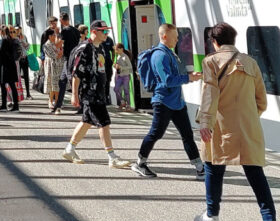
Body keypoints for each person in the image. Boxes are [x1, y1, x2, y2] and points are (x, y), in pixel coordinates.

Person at [194, 23, 280, 221]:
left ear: (214, 42)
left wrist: (205, 121)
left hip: (220, 127)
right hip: (247, 127)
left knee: (213, 169)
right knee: (256, 175)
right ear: (234, 40)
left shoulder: (211, 62)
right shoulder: (250, 62)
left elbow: (210, 94)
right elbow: (261, 99)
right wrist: (249, 116)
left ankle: (212, 216)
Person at [132, 23, 204, 179]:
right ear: (164, 36)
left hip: (176, 102)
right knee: (156, 133)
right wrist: (189, 78)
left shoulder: (169, 53)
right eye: (175, 36)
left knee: (187, 134)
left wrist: (190, 76)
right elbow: (167, 81)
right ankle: (140, 163)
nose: (177, 40)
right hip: (163, 102)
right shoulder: (160, 55)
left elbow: (174, 77)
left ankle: (199, 166)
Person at [62, 21, 131, 170]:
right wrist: (75, 95)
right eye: (103, 31)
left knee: (87, 121)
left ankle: (70, 150)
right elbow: (76, 73)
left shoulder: (100, 48)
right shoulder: (85, 48)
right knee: (104, 122)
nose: (107, 34)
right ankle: (112, 157)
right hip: (89, 92)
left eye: (107, 31)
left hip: (98, 92)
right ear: (94, 31)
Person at [55, 13, 81, 113]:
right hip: (74, 57)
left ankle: (81, 105)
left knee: (70, 80)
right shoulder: (75, 30)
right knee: (62, 81)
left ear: (62, 20)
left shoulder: (65, 31)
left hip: (68, 59)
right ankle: (58, 105)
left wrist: (57, 33)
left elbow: (57, 45)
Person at [0, 26, 20, 111]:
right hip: (12, 64)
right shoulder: (12, 40)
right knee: (12, 85)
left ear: (2, 32)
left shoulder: (4, 40)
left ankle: (3, 105)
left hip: (5, 65)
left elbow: (1, 52)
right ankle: (16, 105)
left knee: (3, 85)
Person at [43, 28, 64, 112]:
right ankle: (52, 101)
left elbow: (60, 53)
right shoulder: (46, 45)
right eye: (53, 35)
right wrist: (60, 53)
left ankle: (56, 101)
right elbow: (55, 55)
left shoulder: (55, 43)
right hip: (51, 66)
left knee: (56, 84)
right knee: (52, 84)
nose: (55, 36)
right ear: (49, 36)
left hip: (58, 65)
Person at [113, 43, 133, 110]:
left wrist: (121, 67)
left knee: (126, 90)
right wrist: (116, 66)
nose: (116, 51)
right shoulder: (118, 56)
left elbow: (130, 67)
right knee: (116, 89)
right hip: (120, 76)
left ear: (121, 49)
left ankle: (129, 105)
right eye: (116, 50)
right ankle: (122, 101)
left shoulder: (125, 57)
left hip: (125, 76)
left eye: (117, 49)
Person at [17, 28, 32, 99]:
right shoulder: (15, 38)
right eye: (17, 30)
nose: (18, 31)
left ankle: (28, 93)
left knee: (26, 76)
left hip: (25, 58)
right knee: (17, 77)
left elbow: (28, 48)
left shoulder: (24, 37)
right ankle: (18, 93)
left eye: (19, 30)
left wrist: (25, 43)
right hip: (18, 60)